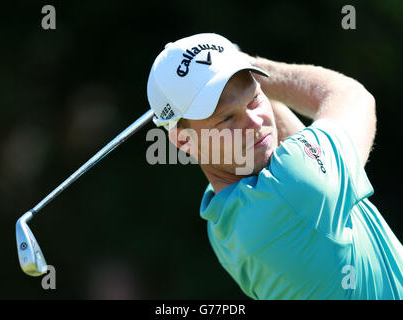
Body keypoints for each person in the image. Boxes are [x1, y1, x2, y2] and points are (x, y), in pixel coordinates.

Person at [146, 33, 403, 299]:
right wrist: (260, 67)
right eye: (226, 119)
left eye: (254, 99)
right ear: (183, 139)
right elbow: (352, 97)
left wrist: (232, 67)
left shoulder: (219, 221)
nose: (255, 122)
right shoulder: (294, 188)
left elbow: (291, 149)